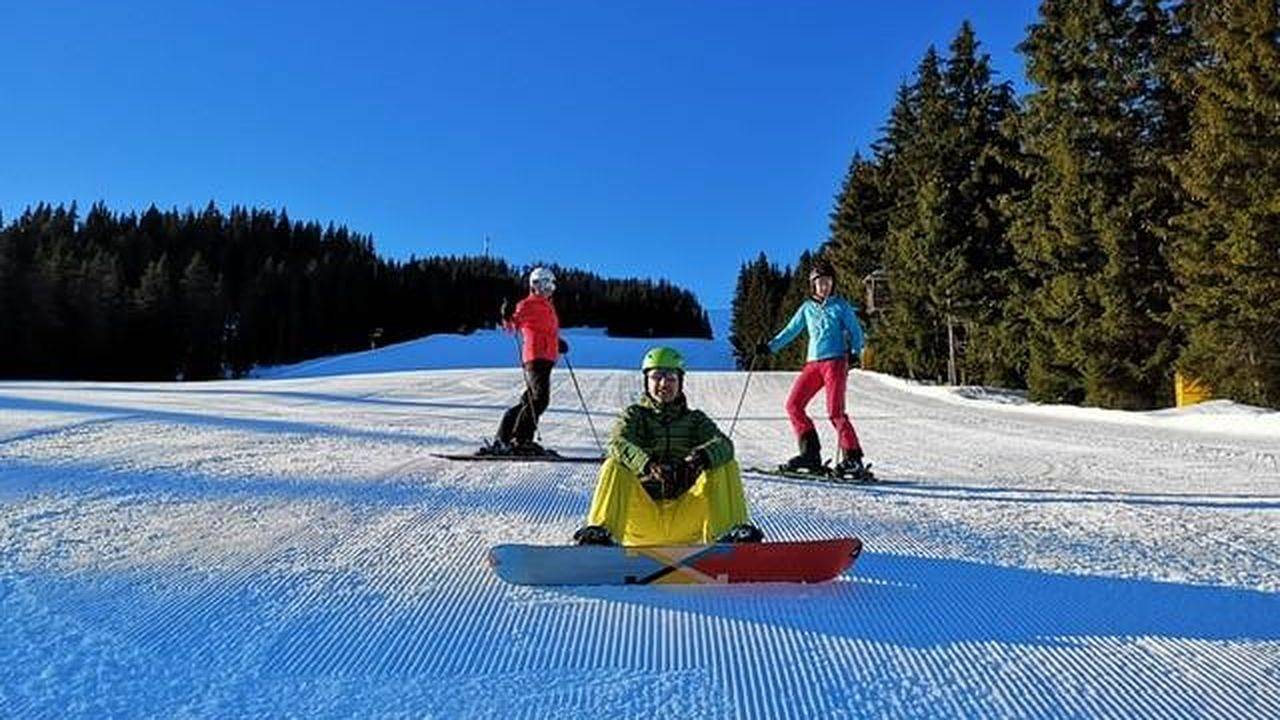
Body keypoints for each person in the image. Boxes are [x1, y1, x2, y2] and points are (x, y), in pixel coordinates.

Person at [573, 347, 763, 547]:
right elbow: (617, 444)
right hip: (642, 519)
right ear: (646, 381)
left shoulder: (695, 420)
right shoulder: (635, 415)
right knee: (614, 465)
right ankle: (600, 536)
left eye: (671, 378)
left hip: (685, 518)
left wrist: (697, 461)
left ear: (680, 383)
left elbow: (725, 445)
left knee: (725, 463)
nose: (664, 384)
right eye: (657, 377)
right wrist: (647, 466)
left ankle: (732, 539)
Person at [756, 258, 869, 477]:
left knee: (835, 411)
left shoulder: (840, 306)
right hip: (813, 364)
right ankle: (810, 454)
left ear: (832, 284)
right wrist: (769, 348)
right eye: (820, 282)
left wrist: (855, 352)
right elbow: (790, 331)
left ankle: (853, 459)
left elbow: (856, 331)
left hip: (835, 363)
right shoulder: (807, 308)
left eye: (828, 281)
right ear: (813, 285)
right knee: (794, 405)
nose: (824, 286)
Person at [484, 266, 570, 455]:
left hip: (546, 357)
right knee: (540, 399)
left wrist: (558, 343)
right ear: (535, 284)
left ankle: (504, 436)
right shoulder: (528, 304)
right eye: (545, 285)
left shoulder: (548, 306)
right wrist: (506, 316)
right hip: (536, 357)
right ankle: (521, 440)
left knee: (530, 400)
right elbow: (512, 327)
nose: (548, 289)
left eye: (551, 285)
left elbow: (546, 332)